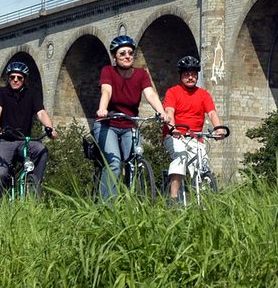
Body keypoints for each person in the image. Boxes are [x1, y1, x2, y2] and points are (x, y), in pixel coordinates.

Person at [93, 35, 170, 200]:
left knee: (134, 161)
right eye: (122, 53)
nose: (127, 56)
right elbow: (106, 91)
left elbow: (150, 94)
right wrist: (102, 108)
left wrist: (161, 111)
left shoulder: (141, 74)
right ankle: (108, 206)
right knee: (114, 163)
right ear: (115, 56)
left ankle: (134, 201)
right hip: (108, 124)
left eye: (130, 53)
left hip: (130, 125)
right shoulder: (108, 71)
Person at [163, 55, 226, 203]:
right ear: (181, 76)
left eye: (193, 74)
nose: (190, 77)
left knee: (203, 166)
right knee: (181, 157)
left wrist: (219, 129)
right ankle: (173, 198)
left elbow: (212, 113)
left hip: (195, 136)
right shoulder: (173, 92)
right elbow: (169, 112)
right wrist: (173, 128)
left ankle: (203, 201)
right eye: (186, 74)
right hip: (175, 135)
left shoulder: (203, 94)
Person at [0, 61, 58, 199]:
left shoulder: (32, 94)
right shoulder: (0, 92)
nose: (15, 80)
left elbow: (41, 113)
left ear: (24, 79)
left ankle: (34, 185)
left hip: (24, 141)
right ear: (8, 78)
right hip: (4, 140)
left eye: (19, 78)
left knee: (41, 150)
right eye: (12, 77)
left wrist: (50, 128)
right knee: (1, 173)